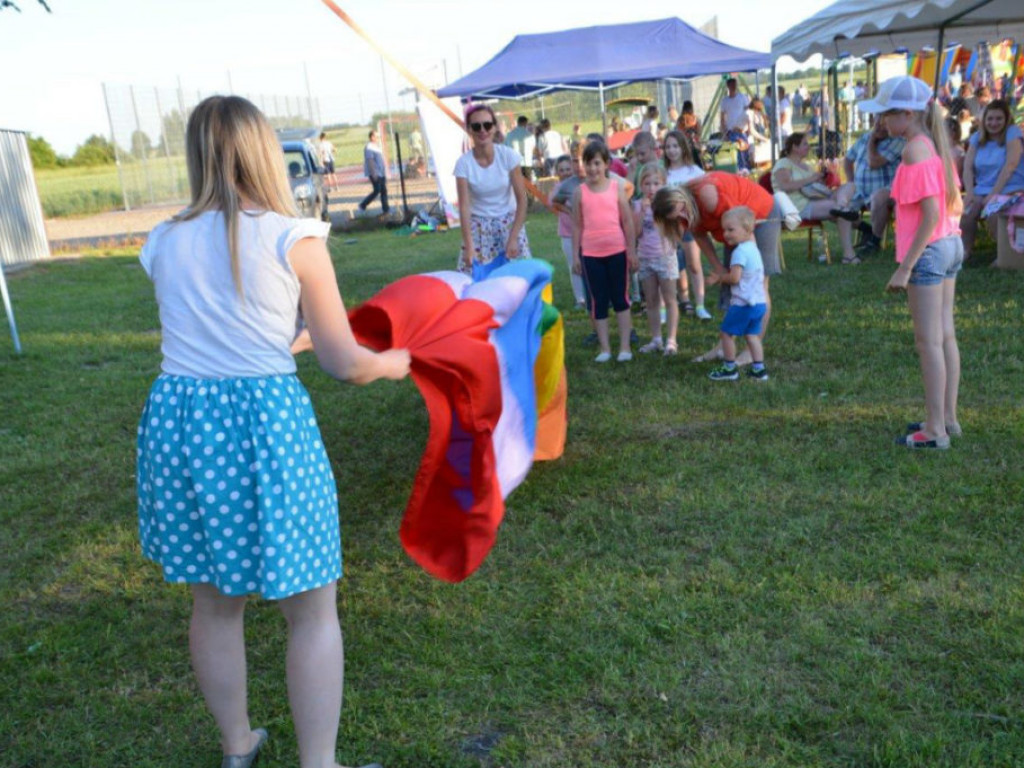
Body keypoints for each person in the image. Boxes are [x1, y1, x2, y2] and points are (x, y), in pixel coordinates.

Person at [136, 95, 409, 768]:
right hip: (266, 427)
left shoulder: (161, 240)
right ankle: (319, 765)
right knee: (312, 609)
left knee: (215, 602)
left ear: (198, 153)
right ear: (263, 150)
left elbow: (221, 332)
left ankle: (238, 748)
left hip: (183, 426)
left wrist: (290, 343)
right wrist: (392, 363)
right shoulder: (296, 236)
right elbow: (348, 362)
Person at [859, 74, 964, 449]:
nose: (881, 123)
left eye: (885, 115)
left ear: (906, 114)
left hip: (931, 251)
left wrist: (905, 267)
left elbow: (931, 214)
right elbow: (954, 206)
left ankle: (934, 431)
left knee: (928, 342)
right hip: (950, 245)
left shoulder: (914, 150)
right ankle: (946, 417)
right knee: (944, 336)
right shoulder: (934, 145)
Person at [651, 170, 782, 366]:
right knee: (733, 289)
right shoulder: (682, 213)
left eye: (682, 211)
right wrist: (720, 269)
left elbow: (740, 224)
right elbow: (701, 236)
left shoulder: (707, 195)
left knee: (756, 287)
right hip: (734, 229)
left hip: (760, 216)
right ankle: (724, 347)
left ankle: (751, 350)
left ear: (681, 196)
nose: (682, 217)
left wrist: (749, 261)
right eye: (676, 217)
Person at [571, 140, 637, 363]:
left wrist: (631, 251)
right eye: (588, 164)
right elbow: (577, 225)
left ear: (607, 164)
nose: (592, 169)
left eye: (597, 163)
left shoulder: (616, 188)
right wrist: (575, 256)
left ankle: (625, 346)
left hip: (617, 250)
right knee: (599, 301)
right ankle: (605, 348)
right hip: (591, 254)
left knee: (620, 298)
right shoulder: (579, 192)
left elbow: (627, 221)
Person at [455, 103, 531, 274]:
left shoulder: (508, 156)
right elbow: (464, 207)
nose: (483, 130)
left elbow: (522, 200)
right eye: (476, 126)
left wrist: (513, 237)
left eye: (487, 125)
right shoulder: (463, 164)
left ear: (495, 127)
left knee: (517, 279)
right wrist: (469, 245)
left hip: (509, 223)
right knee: (476, 279)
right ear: (469, 130)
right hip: (479, 227)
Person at [772, 132, 862, 265]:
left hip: (815, 199)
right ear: (794, 147)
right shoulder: (783, 163)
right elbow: (785, 186)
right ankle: (849, 255)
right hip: (797, 206)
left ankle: (841, 206)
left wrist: (825, 179)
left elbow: (814, 188)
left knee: (850, 185)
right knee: (844, 213)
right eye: (804, 144)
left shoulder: (806, 167)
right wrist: (811, 178)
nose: (808, 147)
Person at [704, 206, 769, 381]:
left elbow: (734, 278)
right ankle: (759, 370)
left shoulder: (739, 252)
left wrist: (718, 278)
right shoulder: (753, 248)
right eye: (724, 229)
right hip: (759, 303)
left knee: (726, 334)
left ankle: (729, 369)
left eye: (731, 229)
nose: (726, 234)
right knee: (751, 335)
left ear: (747, 229)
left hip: (743, 304)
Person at [959, 99, 1024, 259]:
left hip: (1010, 188)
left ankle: (1005, 255)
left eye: (998, 119)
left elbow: (1011, 165)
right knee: (967, 213)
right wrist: (970, 193)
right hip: (982, 190)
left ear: (1006, 119)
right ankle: (964, 252)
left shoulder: (1013, 133)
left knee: (992, 211)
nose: (994, 123)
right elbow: (967, 167)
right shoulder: (977, 137)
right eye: (990, 119)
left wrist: (994, 194)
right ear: (984, 120)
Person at [662, 129, 711, 320]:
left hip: (691, 226)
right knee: (671, 267)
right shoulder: (663, 173)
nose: (672, 150)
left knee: (694, 265)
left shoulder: (695, 172)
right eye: (668, 147)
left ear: (683, 147)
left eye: (675, 146)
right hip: (670, 227)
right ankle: (674, 304)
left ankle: (700, 304)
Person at [632, 163, 680, 355]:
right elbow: (636, 233)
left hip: (665, 257)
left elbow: (675, 232)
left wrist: (662, 211)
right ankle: (656, 339)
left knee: (670, 299)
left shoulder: (668, 204)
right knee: (651, 301)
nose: (651, 188)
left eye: (656, 184)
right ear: (641, 186)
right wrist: (642, 213)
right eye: (647, 184)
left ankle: (671, 340)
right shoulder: (637, 205)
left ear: (664, 184)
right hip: (645, 258)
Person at [842, 118, 906, 256]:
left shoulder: (897, 141)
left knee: (878, 198)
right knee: (839, 208)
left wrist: (872, 140)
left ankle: (874, 242)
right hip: (859, 190)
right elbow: (847, 159)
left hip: (887, 188)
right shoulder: (864, 137)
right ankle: (867, 230)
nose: (878, 126)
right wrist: (850, 182)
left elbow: (874, 162)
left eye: (882, 123)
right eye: (877, 122)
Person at [550, 153, 587, 308]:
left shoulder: (578, 184)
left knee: (587, 265)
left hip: (585, 232)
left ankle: (590, 295)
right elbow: (554, 203)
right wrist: (569, 211)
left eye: (567, 169)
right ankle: (580, 299)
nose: (565, 172)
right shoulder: (559, 188)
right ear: (557, 172)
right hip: (567, 233)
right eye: (562, 170)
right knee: (574, 266)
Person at [358, 130, 389, 216]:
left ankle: (386, 210)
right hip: (375, 173)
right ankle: (362, 205)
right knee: (377, 190)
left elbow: (380, 160)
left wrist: (384, 173)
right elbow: (370, 161)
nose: (378, 138)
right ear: (372, 137)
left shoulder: (377, 147)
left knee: (384, 191)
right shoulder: (369, 147)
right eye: (376, 136)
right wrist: (374, 174)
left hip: (381, 172)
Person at [504, 115, 535, 180]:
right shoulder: (529, 135)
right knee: (528, 186)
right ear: (525, 123)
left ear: (518, 123)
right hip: (527, 162)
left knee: (516, 184)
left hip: (514, 164)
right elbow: (533, 148)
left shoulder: (509, 135)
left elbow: (505, 149)